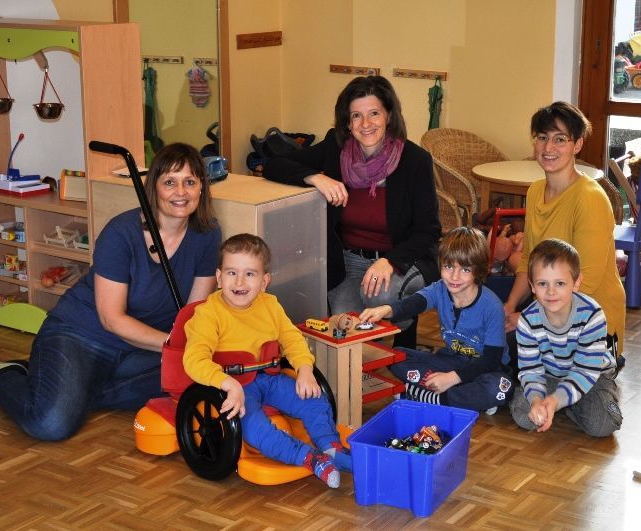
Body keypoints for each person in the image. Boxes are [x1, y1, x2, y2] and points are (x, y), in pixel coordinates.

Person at [0, 143, 222, 441]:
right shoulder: (121, 232)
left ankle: (64, 385)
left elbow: (192, 313)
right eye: (170, 182)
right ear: (154, 187)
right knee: (50, 424)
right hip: (82, 335)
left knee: (199, 377)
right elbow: (112, 320)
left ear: (202, 187)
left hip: (143, 347)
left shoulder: (207, 234)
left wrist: (195, 348)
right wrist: (174, 347)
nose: (181, 192)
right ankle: (1, 375)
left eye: (190, 182)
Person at [263, 75, 441, 348]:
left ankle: (405, 339)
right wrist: (316, 177)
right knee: (343, 326)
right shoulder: (336, 148)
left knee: (380, 298)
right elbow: (274, 164)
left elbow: (428, 230)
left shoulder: (415, 160)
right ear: (347, 122)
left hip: (403, 258)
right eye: (356, 115)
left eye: (374, 113)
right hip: (349, 260)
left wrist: (391, 261)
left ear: (389, 116)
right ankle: (367, 361)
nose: (365, 124)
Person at [183, 234, 350, 488]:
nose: (239, 282)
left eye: (250, 274)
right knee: (253, 426)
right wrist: (228, 384)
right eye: (231, 273)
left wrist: (305, 369)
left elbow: (292, 339)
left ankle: (330, 447)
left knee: (315, 398)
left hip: (269, 378)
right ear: (218, 278)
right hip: (234, 385)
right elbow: (194, 360)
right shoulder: (208, 314)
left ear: (264, 281)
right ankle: (308, 457)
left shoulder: (270, 305)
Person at [502, 101, 626, 361]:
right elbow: (528, 260)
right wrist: (509, 307)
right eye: (542, 138)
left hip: (591, 324)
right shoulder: (535, 190)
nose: (548, 148)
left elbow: (585, 284)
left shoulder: (590, 198)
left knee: (503, 349)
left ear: (577, 145)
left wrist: (524, 319)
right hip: (552, 306)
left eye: (560, 139)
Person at [359, 227, 512, 414]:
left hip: (486, 370)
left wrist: (452, 378)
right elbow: (415, 303)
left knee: (500, 389)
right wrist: (385, 310)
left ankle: (433, 396)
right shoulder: (440, 288)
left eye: (465, 269)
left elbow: (491, 360)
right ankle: (458, 396)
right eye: (448, 267)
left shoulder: (492, 306)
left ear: (478, 270)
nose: (454, 277)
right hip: (451, 361)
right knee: (395, 356)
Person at [510, 239, 622, 437]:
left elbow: (585, 371)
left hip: (592, 376)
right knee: (523, 415)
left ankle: (565, 402)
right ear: (532, 286)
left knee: (603, 425)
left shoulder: (592, 315)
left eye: (560, 283)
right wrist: (536, 400)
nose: (551, 291)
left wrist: (555, 401)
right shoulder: (527, 320)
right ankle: (563, 402)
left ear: (576, 283)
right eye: (542, 283)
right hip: (550, 376)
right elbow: (531, 370)